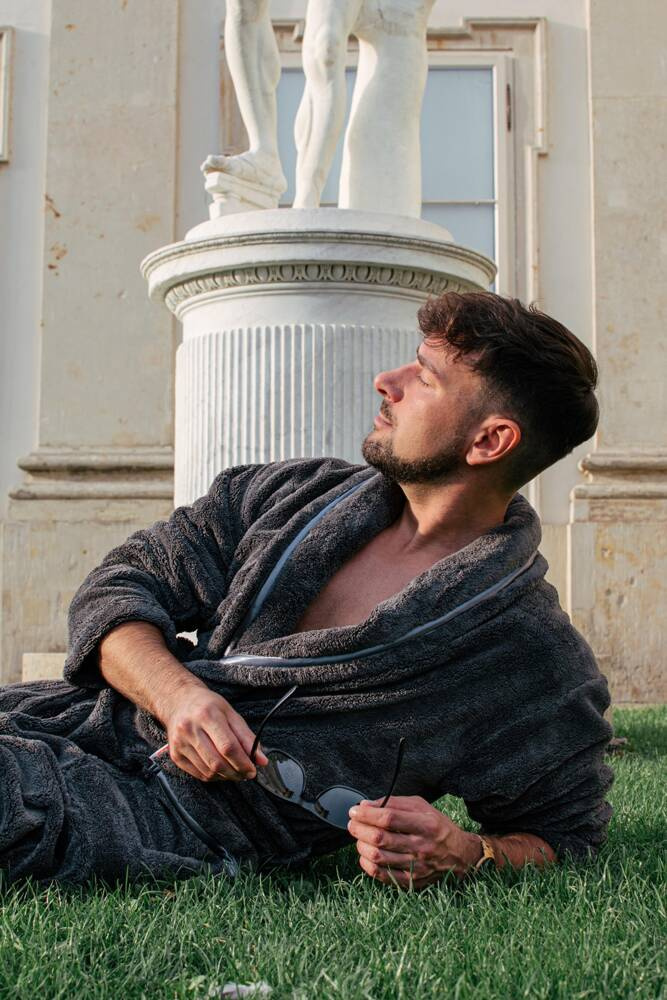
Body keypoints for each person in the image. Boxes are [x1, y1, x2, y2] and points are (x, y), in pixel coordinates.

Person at [0, 291, 614, 890]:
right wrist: (176, 695)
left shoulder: (526, 652)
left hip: (158, 818)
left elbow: (567, 835)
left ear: (489, 441)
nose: (386, 381)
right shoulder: (293, 495)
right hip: (64, 718)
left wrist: (467, 852)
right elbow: (120, 585)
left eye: (425, 378)